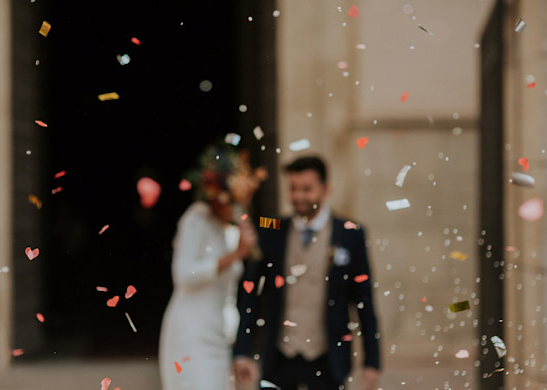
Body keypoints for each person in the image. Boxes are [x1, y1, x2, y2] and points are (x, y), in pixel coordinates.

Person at [232, 156, 381, 390]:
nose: (298, 196)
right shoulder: (272, 229)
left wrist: (372, 362)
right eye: (293, 189)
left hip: (328, 357)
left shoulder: (351, 233)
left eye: (306, 189)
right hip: (279, 356)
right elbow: (251, 294)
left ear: (325, 189)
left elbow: (365, 301)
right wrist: (242, 351)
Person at [159, 144, 264, 389]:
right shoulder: (196, 219)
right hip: (192, 334)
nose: (240, 208)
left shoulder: (227, 230)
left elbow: (274, 228)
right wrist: (235, 254)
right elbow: (183, 275)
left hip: (218, 336)